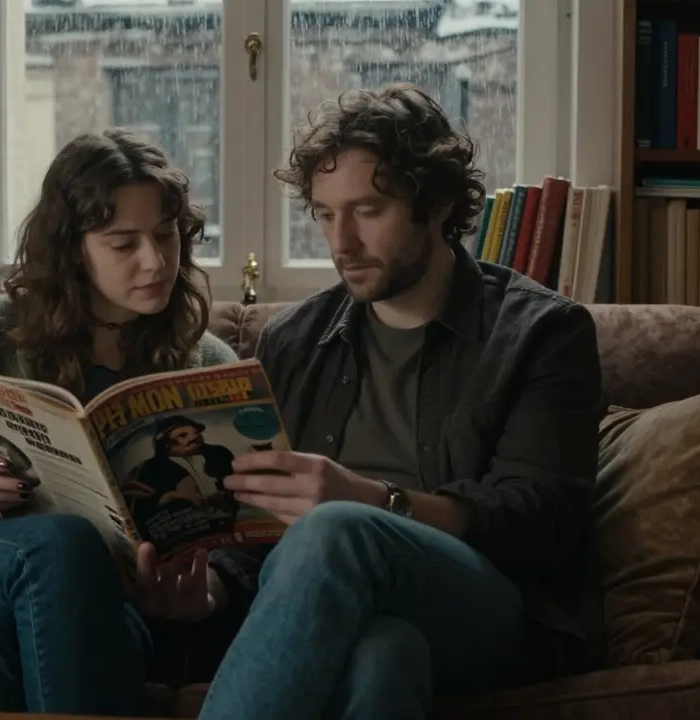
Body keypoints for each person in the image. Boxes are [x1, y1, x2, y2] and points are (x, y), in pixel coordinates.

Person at [196, 84, 606, 720]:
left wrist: (372, 503)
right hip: (342, 606)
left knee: (334, 529)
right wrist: (212, 586)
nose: (342, 243)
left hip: (489, 606)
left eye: (367, 210)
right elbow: (256, 527)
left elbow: (539, 523)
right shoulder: (294, 340)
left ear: (437, 202)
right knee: (382, 657)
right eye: (326, 215)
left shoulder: (541, 333)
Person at [0, 128, 240, 715]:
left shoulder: (207, 365)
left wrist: (205, 581)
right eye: (124, 244)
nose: (155, 261)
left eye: (166, 235)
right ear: (73, 250)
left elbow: (242, 533)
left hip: (106, 610)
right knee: (59, 541)